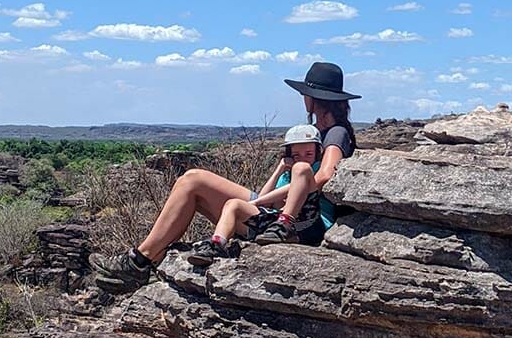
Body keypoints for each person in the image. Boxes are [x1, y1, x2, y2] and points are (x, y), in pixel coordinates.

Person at [90, 61, 360, 294]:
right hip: (278, 208)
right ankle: (143, 258)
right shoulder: (316, 132)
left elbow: (325, 175)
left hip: (303, 217)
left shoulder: (335, 133)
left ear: (312, 98)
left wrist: (273, 197)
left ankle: (139, 261)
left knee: (194, 181)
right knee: (191, 180)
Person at [185, 123, 323, 267]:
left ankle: (286, 223)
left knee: (301, 168)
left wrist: (256, 203)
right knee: (233, 204)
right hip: (276, 227)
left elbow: (291, 188)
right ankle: (217, 244)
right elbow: (263, 198)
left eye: (308, 154)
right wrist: (279, 170)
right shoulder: (286, 174)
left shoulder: (312, 169)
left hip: (307, 224)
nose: (302, 158)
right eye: (296, 155)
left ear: (317, 152)